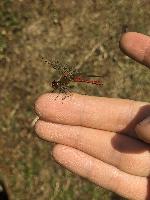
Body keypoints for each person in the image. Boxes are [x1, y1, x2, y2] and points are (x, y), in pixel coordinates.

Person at [34, 32, 150, 200]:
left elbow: (64, 92)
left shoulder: (64, 81)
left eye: (56, 85)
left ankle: (97, 79)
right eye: (56, 85)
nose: (55, 85)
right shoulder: (62, 82)